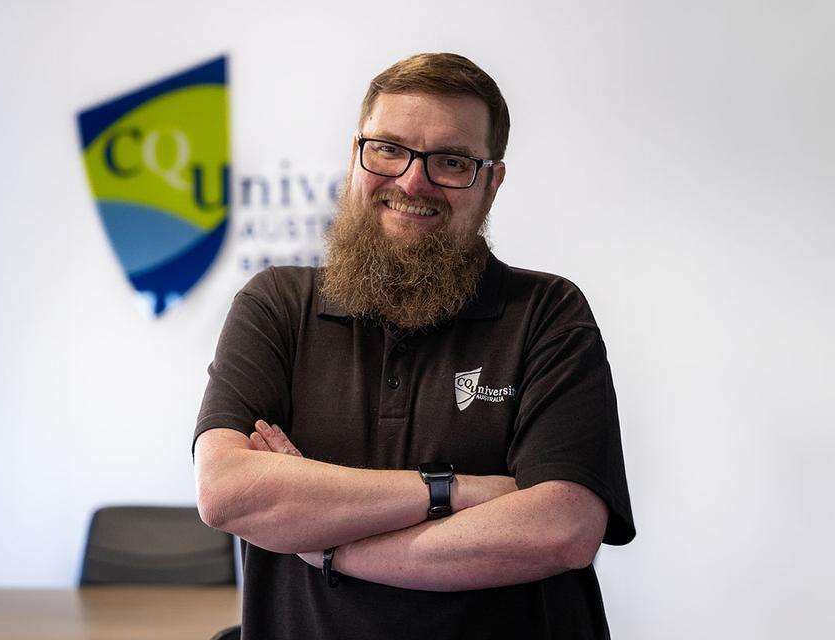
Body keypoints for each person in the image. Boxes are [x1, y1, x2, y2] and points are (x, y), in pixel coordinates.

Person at [192, 52, 635, 640]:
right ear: (356, 155)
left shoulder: (547, 314)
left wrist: (331, 550)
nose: (411, 180)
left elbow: (561, 528)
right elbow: (230, 495)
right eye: (389, 149)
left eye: (451, 161)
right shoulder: (277, 305)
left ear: (491, 182)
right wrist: (457, 491)